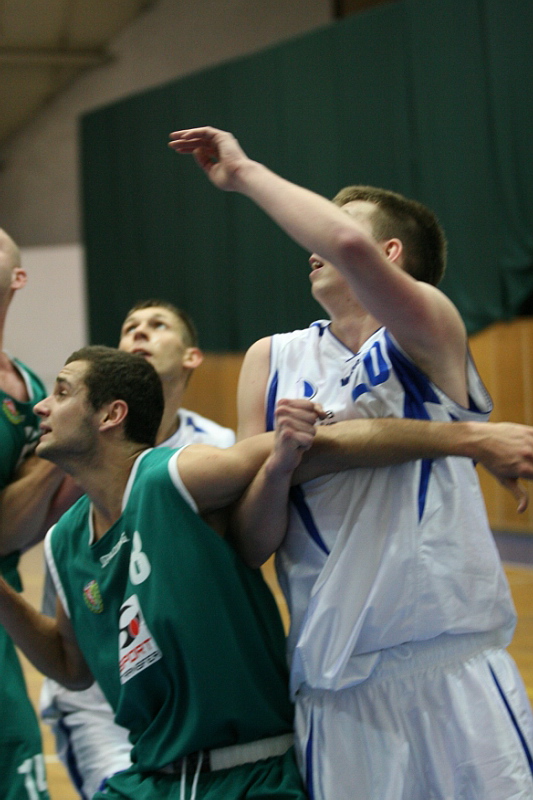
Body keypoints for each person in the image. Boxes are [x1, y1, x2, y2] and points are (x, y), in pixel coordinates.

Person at [168, 127, 533, 799]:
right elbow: (251, 541)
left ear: (390, 253)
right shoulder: (270, 359)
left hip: (449, 663)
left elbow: (345, 243)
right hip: (333, 686)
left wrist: (243, 172)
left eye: (336, 223)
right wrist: (279, 466)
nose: (313, 243)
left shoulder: (429, 330)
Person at [40, 299, 235, 800]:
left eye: (157, 325)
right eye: (129, 327)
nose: (139, 334)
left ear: (192, 356)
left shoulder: (213, 447)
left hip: (180, 697)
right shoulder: (71, 450)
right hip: (100, 696)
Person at [0, 228, 60, 800]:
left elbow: (16, 528)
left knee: (17, 755)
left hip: (6, 600)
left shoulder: (32, 387)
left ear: (18, 277)